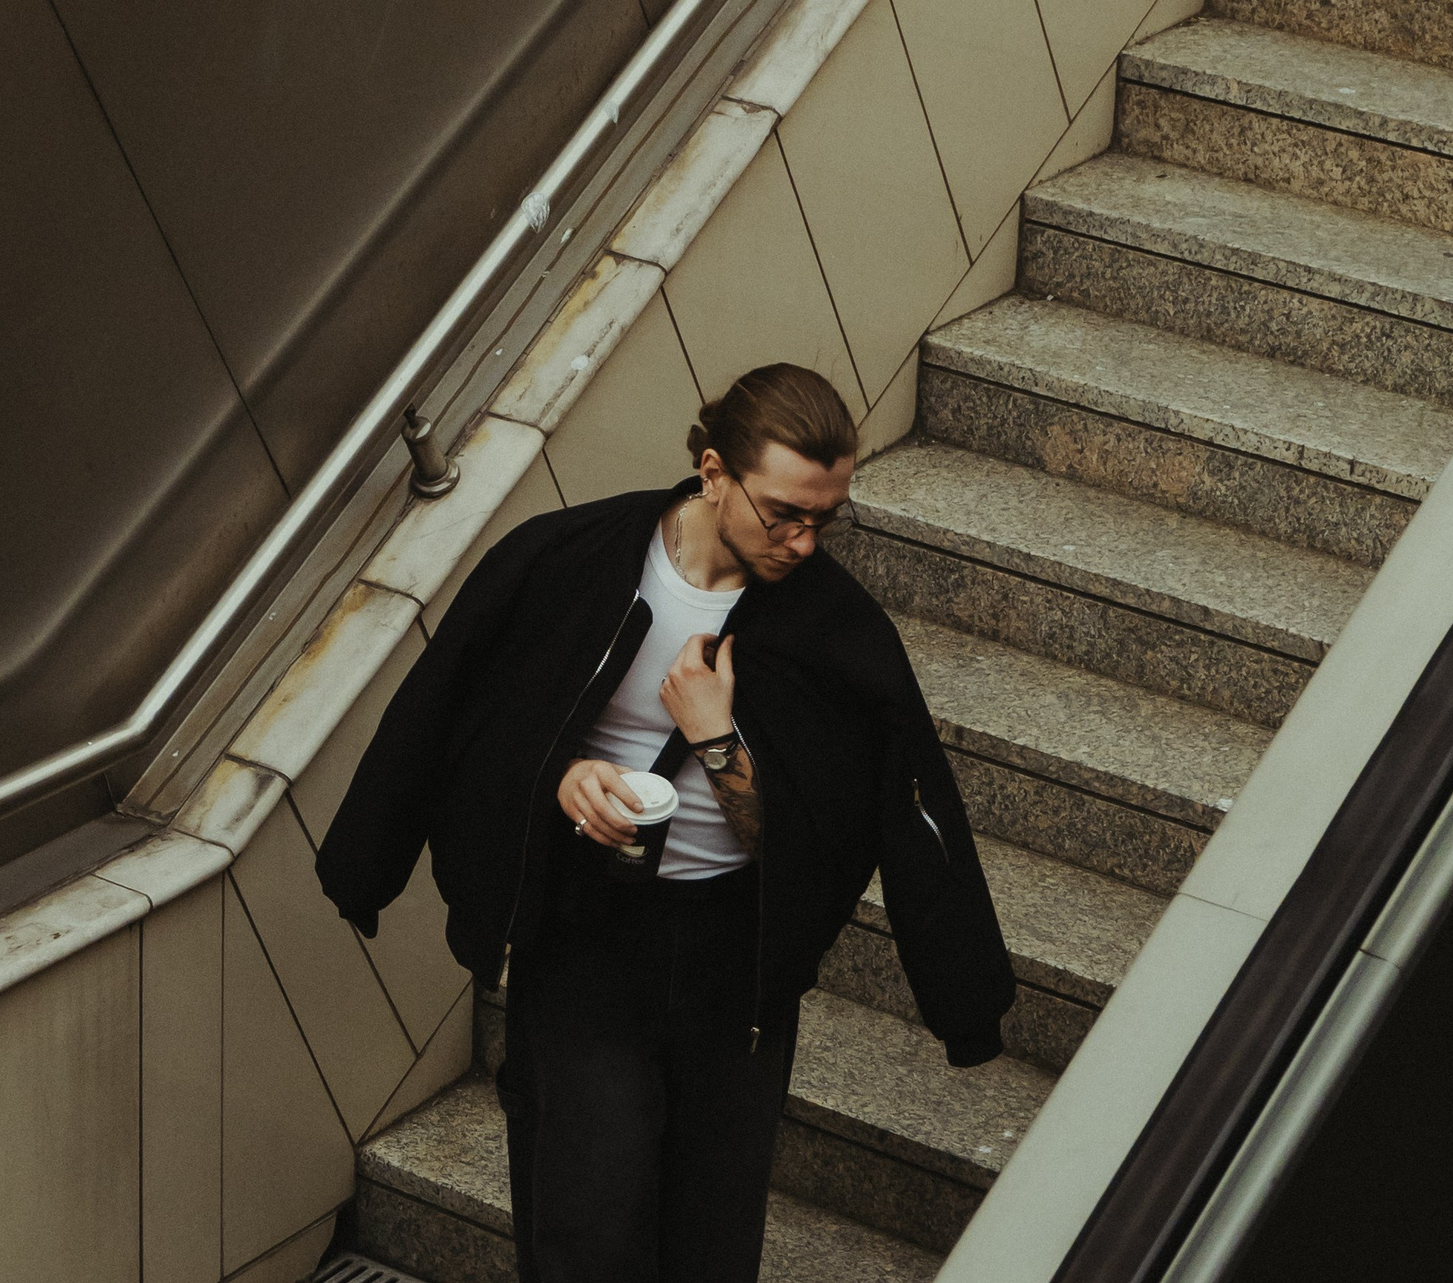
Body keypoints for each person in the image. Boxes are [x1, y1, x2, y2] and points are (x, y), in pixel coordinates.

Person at [316, 362, 1013, 1283]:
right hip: (585, 942)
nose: (806, 542)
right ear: (715, 471)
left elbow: (825, 842)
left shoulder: (834, 633)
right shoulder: (566, 560)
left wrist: (717, 741)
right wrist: (563, 779)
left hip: (734, 962)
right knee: (583, 1223)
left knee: (709, 1239)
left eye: (827, 518)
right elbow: (460, 724)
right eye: (784, 514)